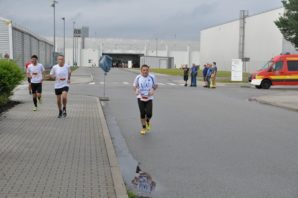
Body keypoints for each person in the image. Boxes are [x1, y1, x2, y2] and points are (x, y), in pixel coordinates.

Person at [133, 65, 158, 135]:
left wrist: (153, 89)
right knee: (142, 113)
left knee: (149, 114)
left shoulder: (152, 77)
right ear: (141, 71)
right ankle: (143, 127)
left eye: (147, 70)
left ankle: (147, 121)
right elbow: (134, 86)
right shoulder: (138, 77)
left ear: (148, 70)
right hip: (140, 97)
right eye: (143, 70)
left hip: (149, 97)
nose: (145, 71)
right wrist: (136, 90)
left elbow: (156, 85)